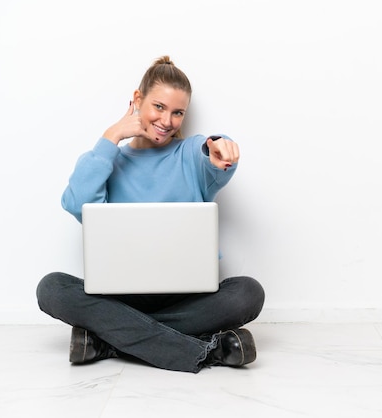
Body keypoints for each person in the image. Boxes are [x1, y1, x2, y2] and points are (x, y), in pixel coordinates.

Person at [36, 55, 265, 373]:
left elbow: (212, 150)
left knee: (247, 293)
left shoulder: (190, 154)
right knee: (51, 288)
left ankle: (108, 340)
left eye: (177, 112)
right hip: (124, 296)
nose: (167, 120)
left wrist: (221, 149)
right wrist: (111, 136)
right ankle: (207, 351)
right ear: (137, 100)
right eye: (159, 106)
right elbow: (76, 203)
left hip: (187, 296)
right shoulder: (108, 161)